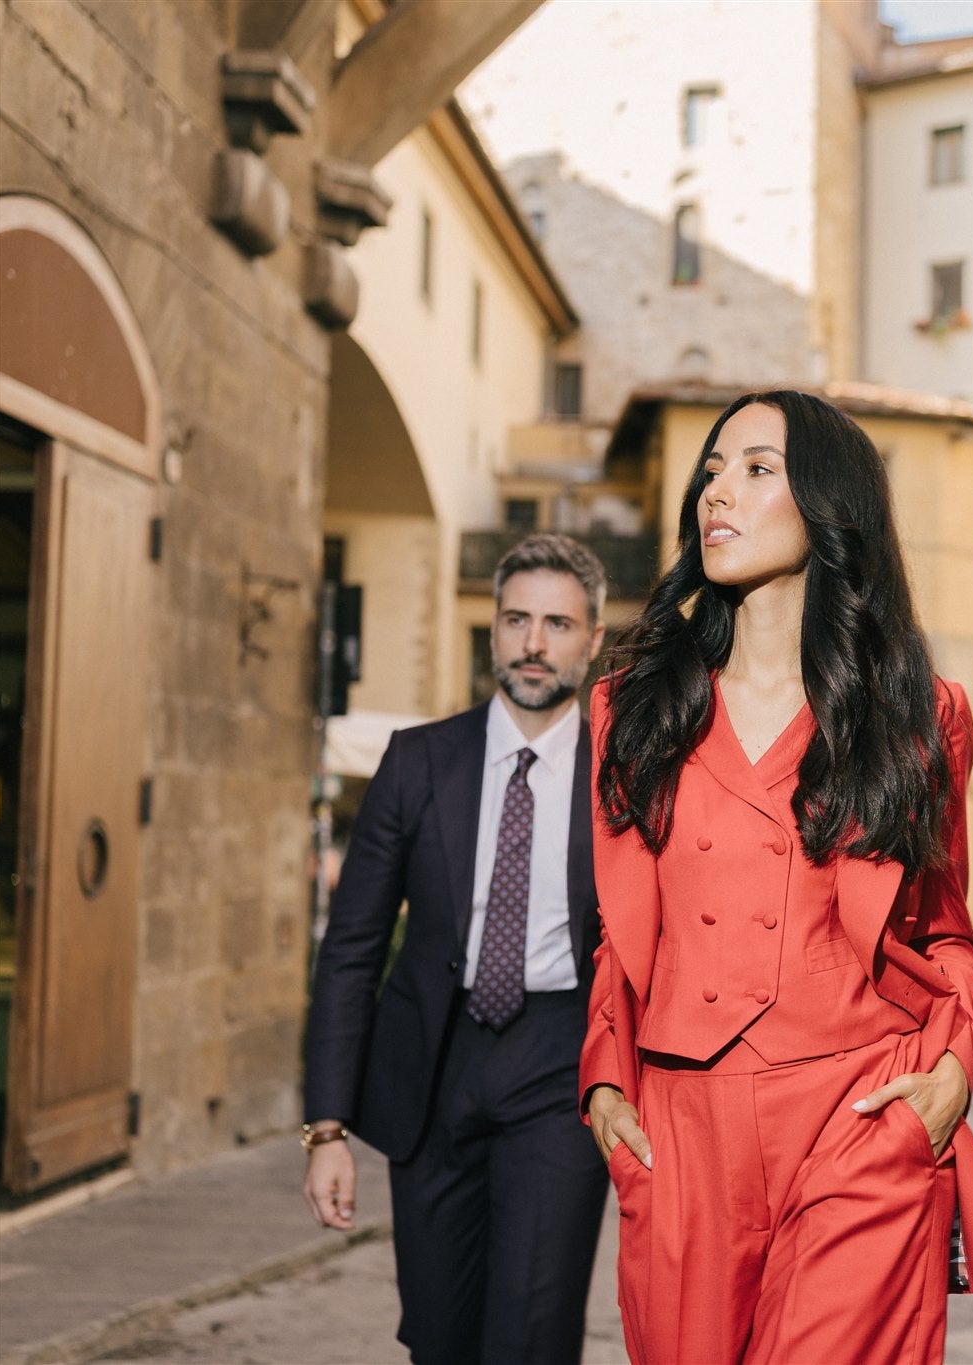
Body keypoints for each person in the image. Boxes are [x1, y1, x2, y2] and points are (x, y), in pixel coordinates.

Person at [582, 390, 973, 1364]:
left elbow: (943, 928)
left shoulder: (920, 717)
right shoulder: (632, 708)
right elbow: (622, 934)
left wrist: (952, 1067)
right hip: (682, 1128)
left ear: (829, 506)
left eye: (754, 469)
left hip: (857, 1117)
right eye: (710, 471)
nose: (717, 495)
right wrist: (605, 1088)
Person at [302, 534, 612, 1364]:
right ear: (493, 631)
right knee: (439, 1334)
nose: (534, 643)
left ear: (593, 639)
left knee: (532, 1332)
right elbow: (352, 947)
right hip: (433, 1070)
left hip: (560, 1070)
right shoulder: (418, 762)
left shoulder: (622, 777)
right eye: (517, 619)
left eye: (557, 622)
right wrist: (325, 1127)